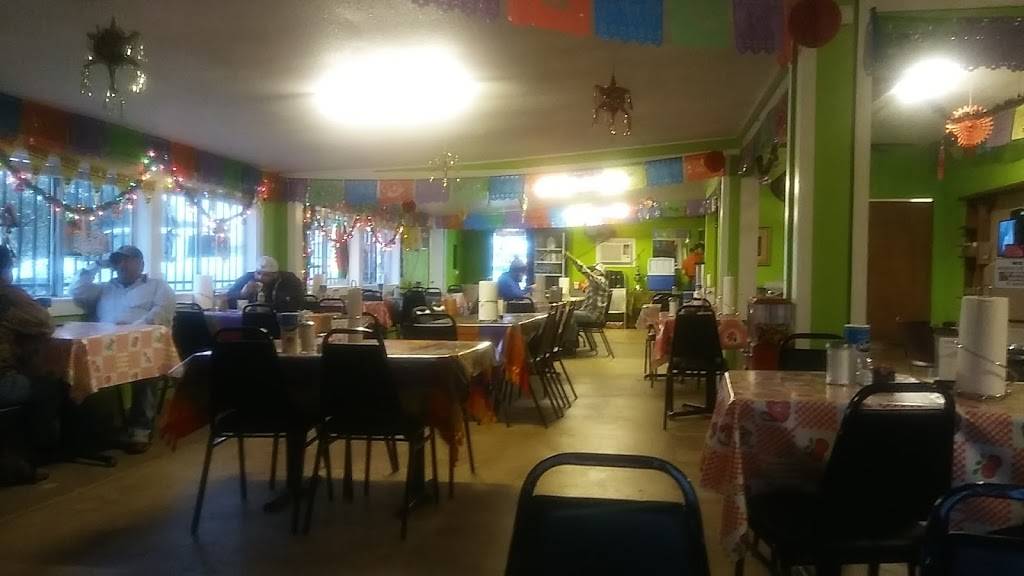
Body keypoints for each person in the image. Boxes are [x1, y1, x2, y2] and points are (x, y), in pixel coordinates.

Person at [70, 245, 175, 453]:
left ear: (141, 264)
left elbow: (161, 315)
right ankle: (97, 428)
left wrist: (130, 332)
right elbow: (76, 291)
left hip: (142, 344)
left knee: (147, 367)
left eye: (128, 260)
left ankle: (140, 430)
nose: (122, 265)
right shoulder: (105, 288)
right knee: (81, 364)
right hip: (105, 346)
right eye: (119, 260)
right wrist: (97, 264)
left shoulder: (158, 286)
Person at [0, 245, 65, 484]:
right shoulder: (7, 295)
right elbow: (44, 323)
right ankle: (25, 462)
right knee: (50, 387)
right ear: (7, 269)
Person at [563, 253, 609, 353]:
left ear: (598, 271)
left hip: (593, 315)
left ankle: (570, 345)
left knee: (569, 315)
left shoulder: (600, 281)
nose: (592, 271)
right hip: (589, 313)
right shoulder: (597, 283)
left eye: (593, 270)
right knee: (569, 313)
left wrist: (572, 259)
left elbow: (584, 270)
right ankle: (569, 343)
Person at [226, 256, 305, 312]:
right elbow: (228, 296)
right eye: (258, 273)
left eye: (266, 275)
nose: (260, 277)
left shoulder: (289, 280)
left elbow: (297, 302)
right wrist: (242, 293)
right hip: (250, 317)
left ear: (275, 275)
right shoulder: (247, 278)